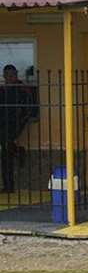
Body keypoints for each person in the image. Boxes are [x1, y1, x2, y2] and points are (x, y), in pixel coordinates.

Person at [0, 64, 32, 193]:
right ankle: (18, 150)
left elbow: (29, 109)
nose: (9, 78)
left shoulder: (22, 89)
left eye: (11, 75)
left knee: (6, 149)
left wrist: (21, 121)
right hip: (2, 124)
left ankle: (9, 187)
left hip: (16, 123)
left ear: (16, 75)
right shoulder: (2, 89)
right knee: (5, 151)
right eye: (6, 75)